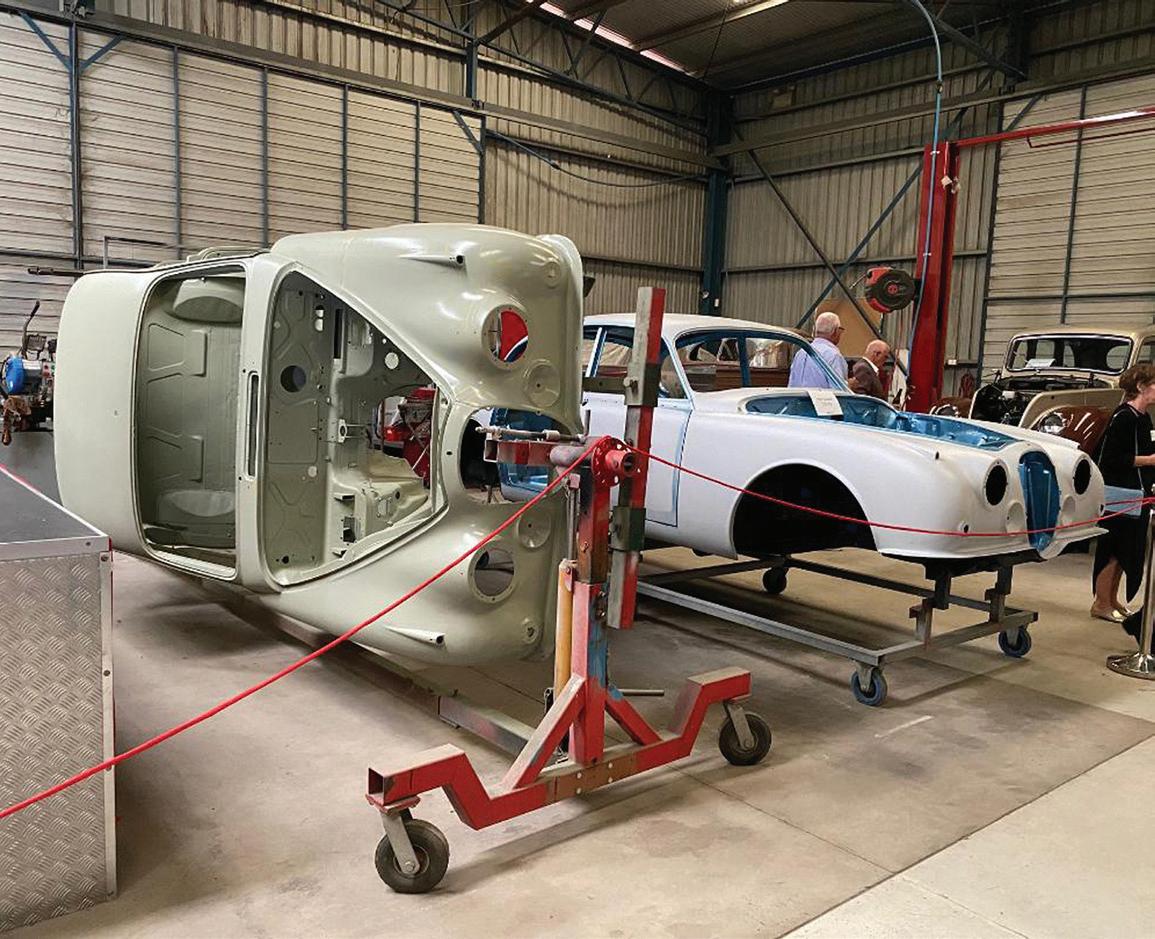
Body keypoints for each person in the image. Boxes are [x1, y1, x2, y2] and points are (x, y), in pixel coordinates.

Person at [1091, 363, 1155, 623]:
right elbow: (1110, 459)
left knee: (1126, 551)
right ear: (1141, 387)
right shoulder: (1123, 417)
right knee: (1113, 550)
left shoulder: (1144, 418)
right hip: (1120, 494)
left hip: (1138, 494)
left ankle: (1112, 598)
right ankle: (1101, 602)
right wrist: (1149, 461)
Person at [788, 311, 848, 389]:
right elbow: (839, 391)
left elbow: (791, 385)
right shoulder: (833, 356)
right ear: (835, 331)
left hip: (796, 397)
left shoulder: (801, 353)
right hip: (821, 397)